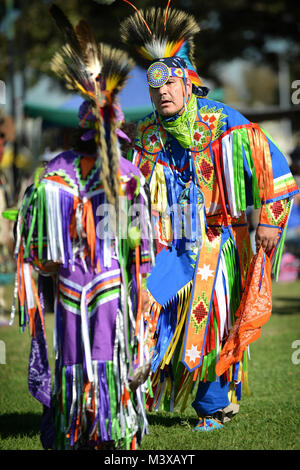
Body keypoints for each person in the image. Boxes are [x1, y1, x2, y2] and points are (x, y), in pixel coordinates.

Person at [120, 4, 299, 431]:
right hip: (166, 244)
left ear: (187, 84)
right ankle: (136, 396)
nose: (162, 93)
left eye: (170, 85)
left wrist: (272, 223)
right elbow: (128, 187)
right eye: (154, 88)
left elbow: (276, 171)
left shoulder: (223, 122)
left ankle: (215, 406)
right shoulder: (145, 134)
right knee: (145, 308)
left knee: (206, 318)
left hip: (215, 241)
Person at [11, 6, 154, 450]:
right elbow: (140, 248)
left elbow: (46, 259)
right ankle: (104, 433)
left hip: (84, 281)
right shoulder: (123, 175)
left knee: (81, 358)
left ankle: (84, 432)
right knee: (98, 357)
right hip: (106, 280)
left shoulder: (61, 174)